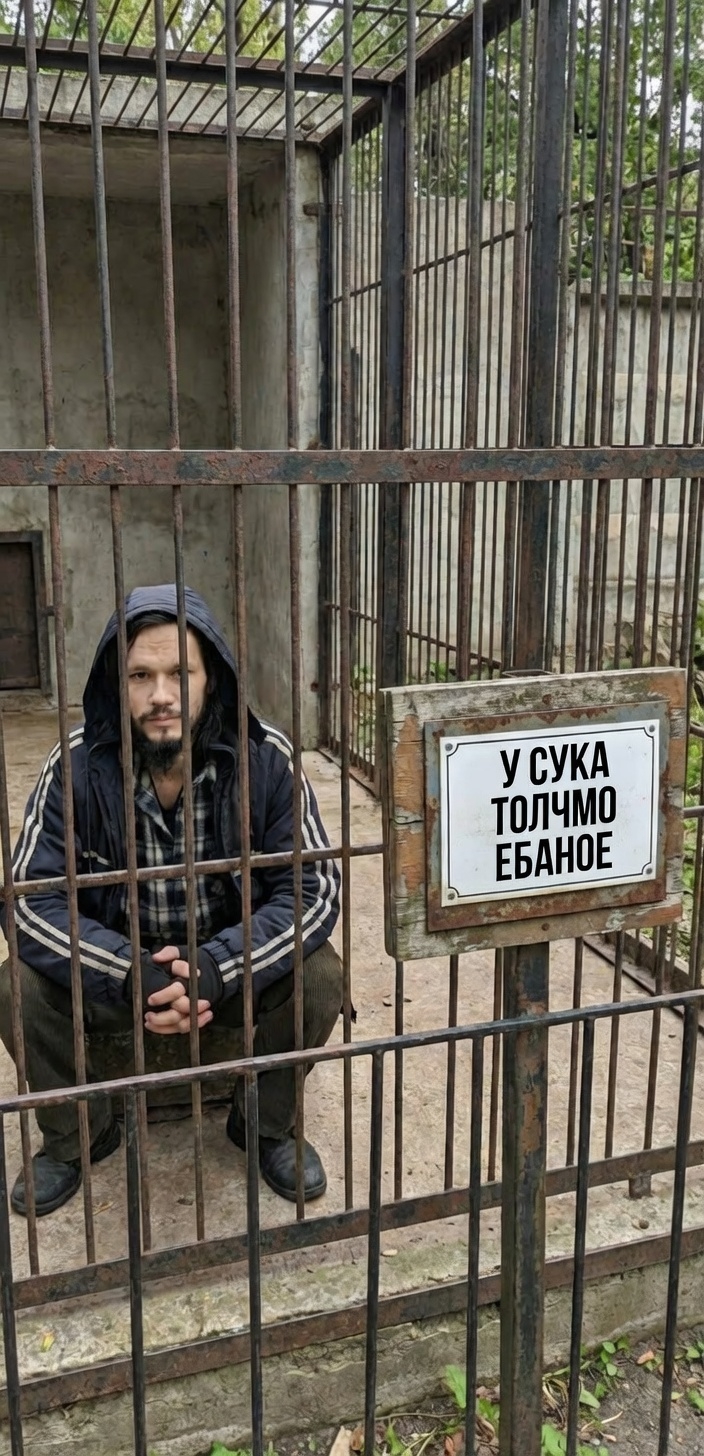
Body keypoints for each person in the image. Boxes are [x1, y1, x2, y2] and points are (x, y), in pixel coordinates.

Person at [0, 585, 342, 1217]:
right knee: (15, 984)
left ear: (212, 679)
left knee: (321, 975)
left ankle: (264, 1124)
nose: (161, 695)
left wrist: (218, 967)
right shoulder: (74, 768)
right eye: (140, 675)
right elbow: (28, 902)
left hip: (227, 975)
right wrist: (129, 972)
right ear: (117, 685)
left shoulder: (266, 759)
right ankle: (80, 1133)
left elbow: (313, 889)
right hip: (117, 978)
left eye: (180, 673)